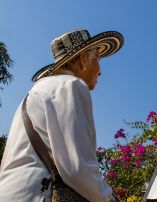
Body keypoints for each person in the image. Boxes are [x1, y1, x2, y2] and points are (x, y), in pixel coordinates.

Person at [0, 29, 124, 201]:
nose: (100, 70)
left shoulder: (36, 92)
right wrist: (109, 198)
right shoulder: (71, 85)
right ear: (83, 59)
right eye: (98, 58)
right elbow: (77, 168)